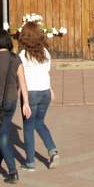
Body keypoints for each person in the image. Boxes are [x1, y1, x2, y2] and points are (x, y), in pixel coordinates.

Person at [0, 27, 30, 184]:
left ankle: (12, 171)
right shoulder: (15, 59)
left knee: (2, 136)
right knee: (4, 132)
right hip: (12, 101)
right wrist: (26, 103)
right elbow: (23, 82)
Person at [18, 20, 60, 170]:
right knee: (40, 122)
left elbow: (20, 77)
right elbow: (46, 72)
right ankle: (53, 150)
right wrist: (51, 89)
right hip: (45, 92)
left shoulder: (22, 55)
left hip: (30, 93)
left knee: (28, 127)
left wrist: (25, 102)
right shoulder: (45, 52)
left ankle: (30, 162)